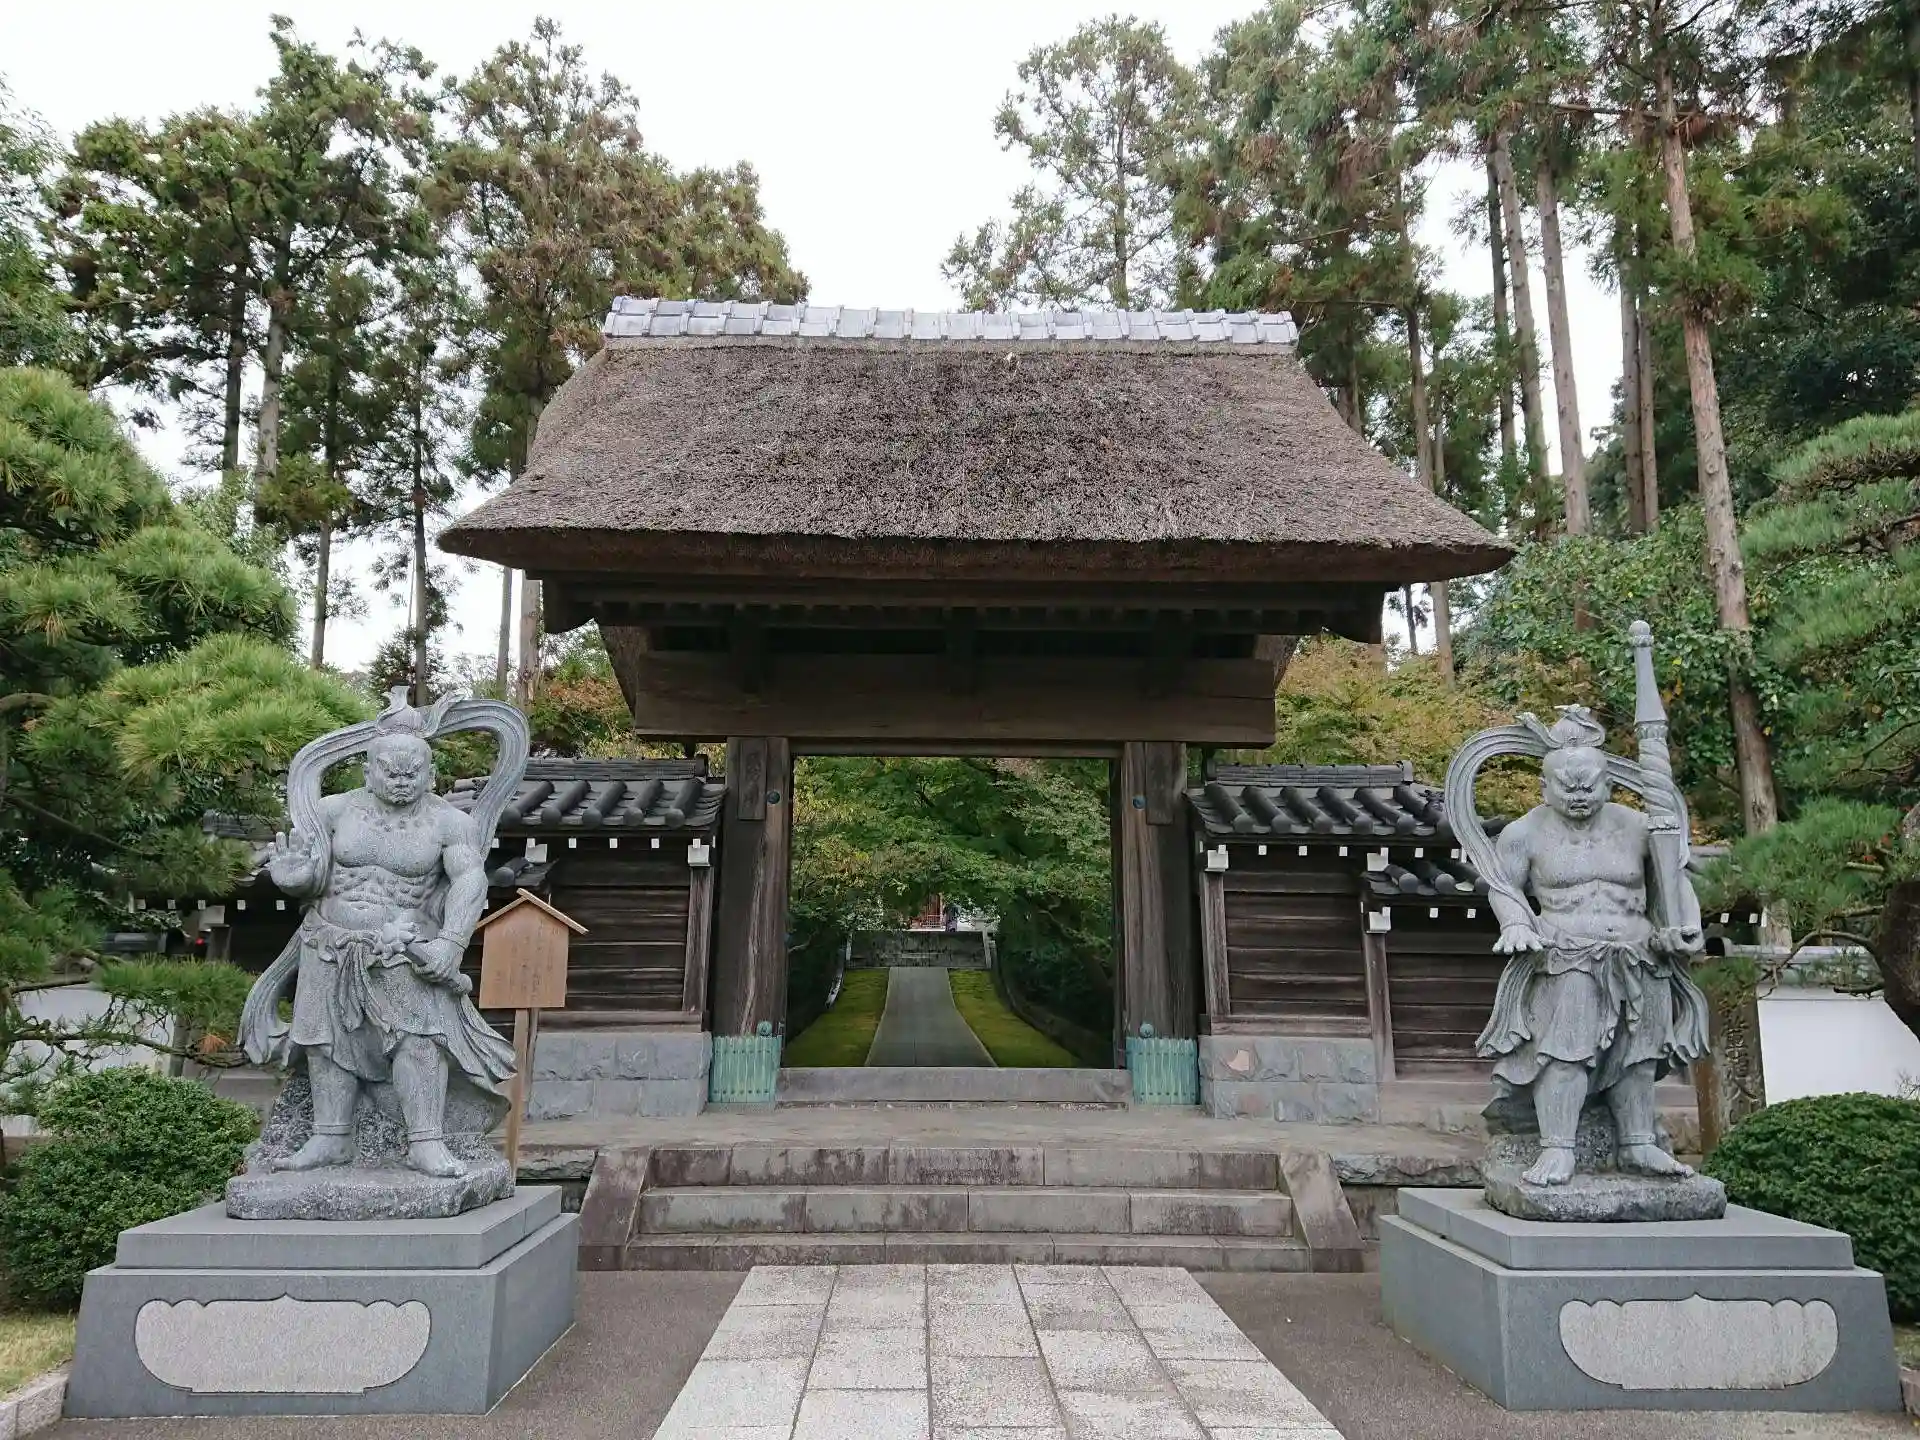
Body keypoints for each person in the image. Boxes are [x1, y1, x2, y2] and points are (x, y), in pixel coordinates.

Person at [251, 725, 514, 1178]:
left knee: (420, 1037)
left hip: (403, 945)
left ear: (431, 773)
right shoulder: (333, 810)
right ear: (369, 771)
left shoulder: (450, 823)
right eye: (390, 771)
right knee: (323, 1038)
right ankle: (331, 1136)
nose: (401, 781)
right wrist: (293, 879)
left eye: (412, 773)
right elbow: (311, 875)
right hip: (328, 939)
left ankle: (426, 1142)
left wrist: (452, 943)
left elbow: (470, 880)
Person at [1476, 708, 1709, 1186]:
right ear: (1544, 787)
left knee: (1639, 1054)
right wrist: (1516, 922)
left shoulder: (1640, 826)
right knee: (1565, 1051)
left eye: (1589, 786)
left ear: (1608, 784)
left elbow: (1674, 881)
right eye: (1567, 787)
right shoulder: (1524, 833)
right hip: (1567, 953)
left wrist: (1685, 924)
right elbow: (1502, 887)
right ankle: (1557, 1148)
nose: (1579, 796)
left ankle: (1639, 1143)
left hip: (1640, 951)